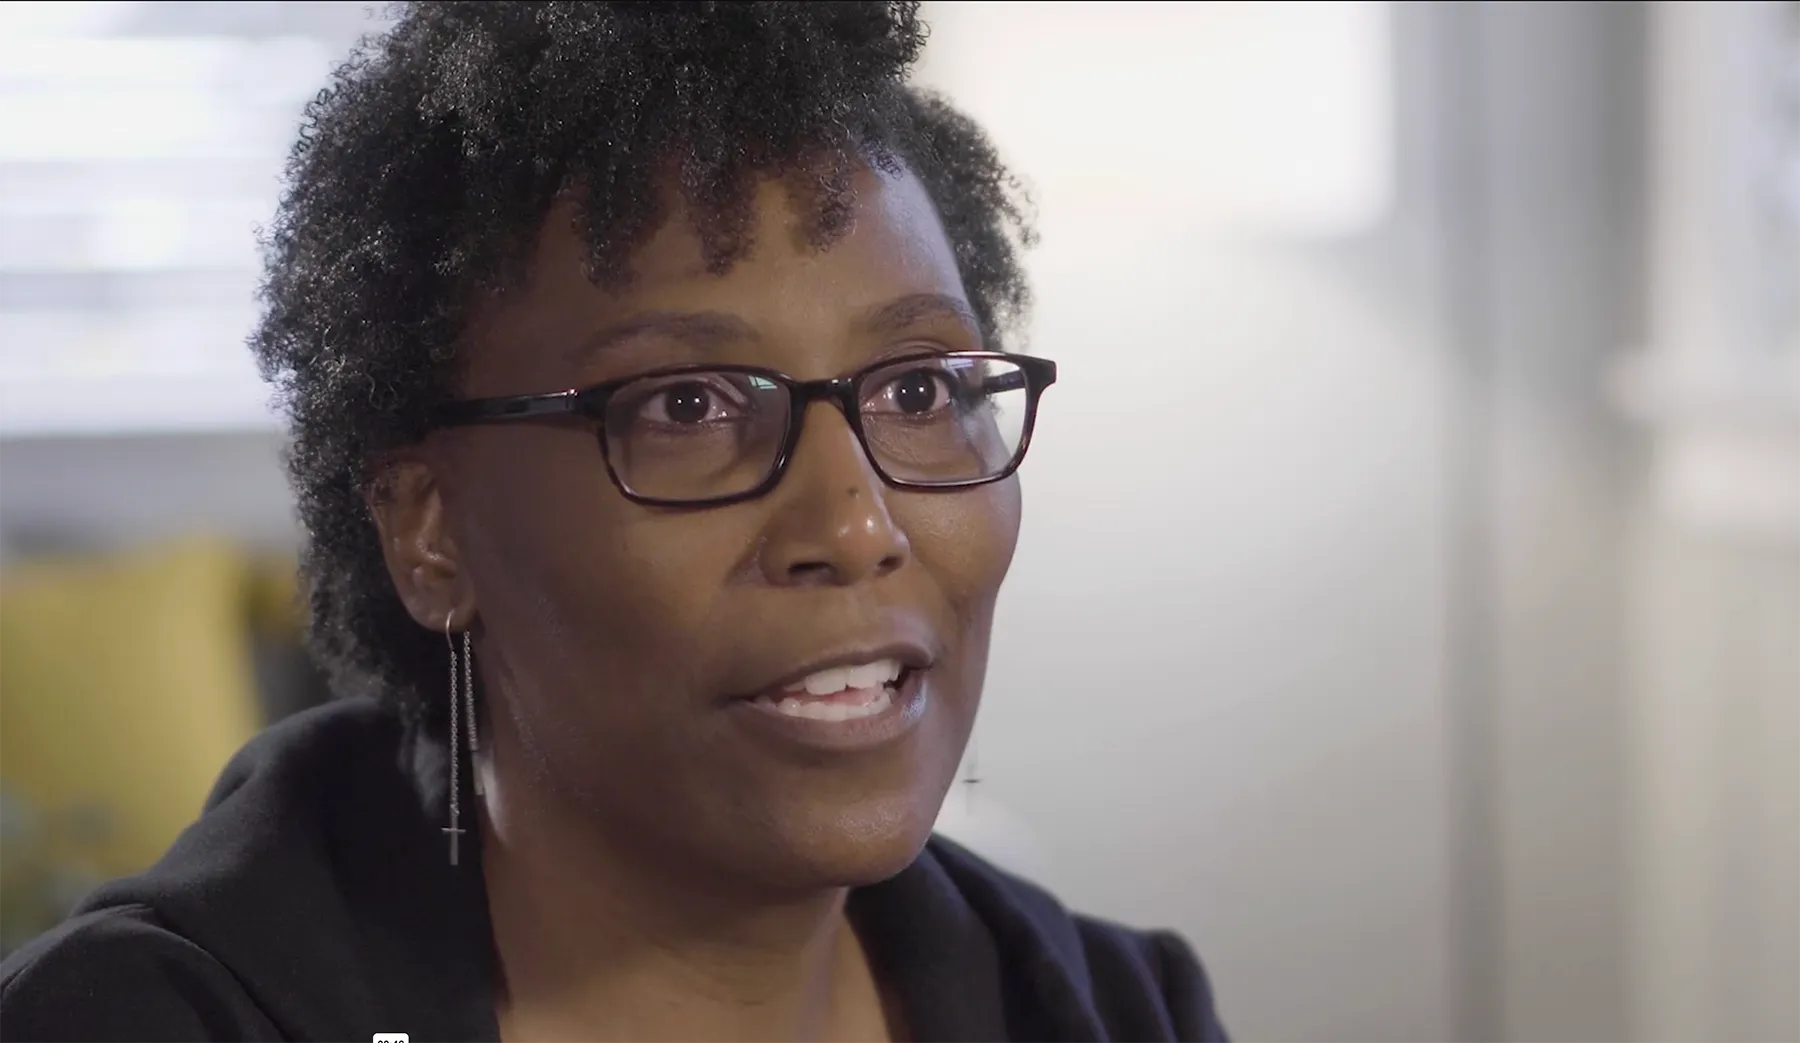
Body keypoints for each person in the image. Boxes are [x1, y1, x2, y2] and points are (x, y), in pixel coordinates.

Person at [0, 4, 1230, 1041]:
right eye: (688, 404)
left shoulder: (1113, 1008)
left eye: (916, 390)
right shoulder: (146, 1016)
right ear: (431, 529)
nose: (854, 524)